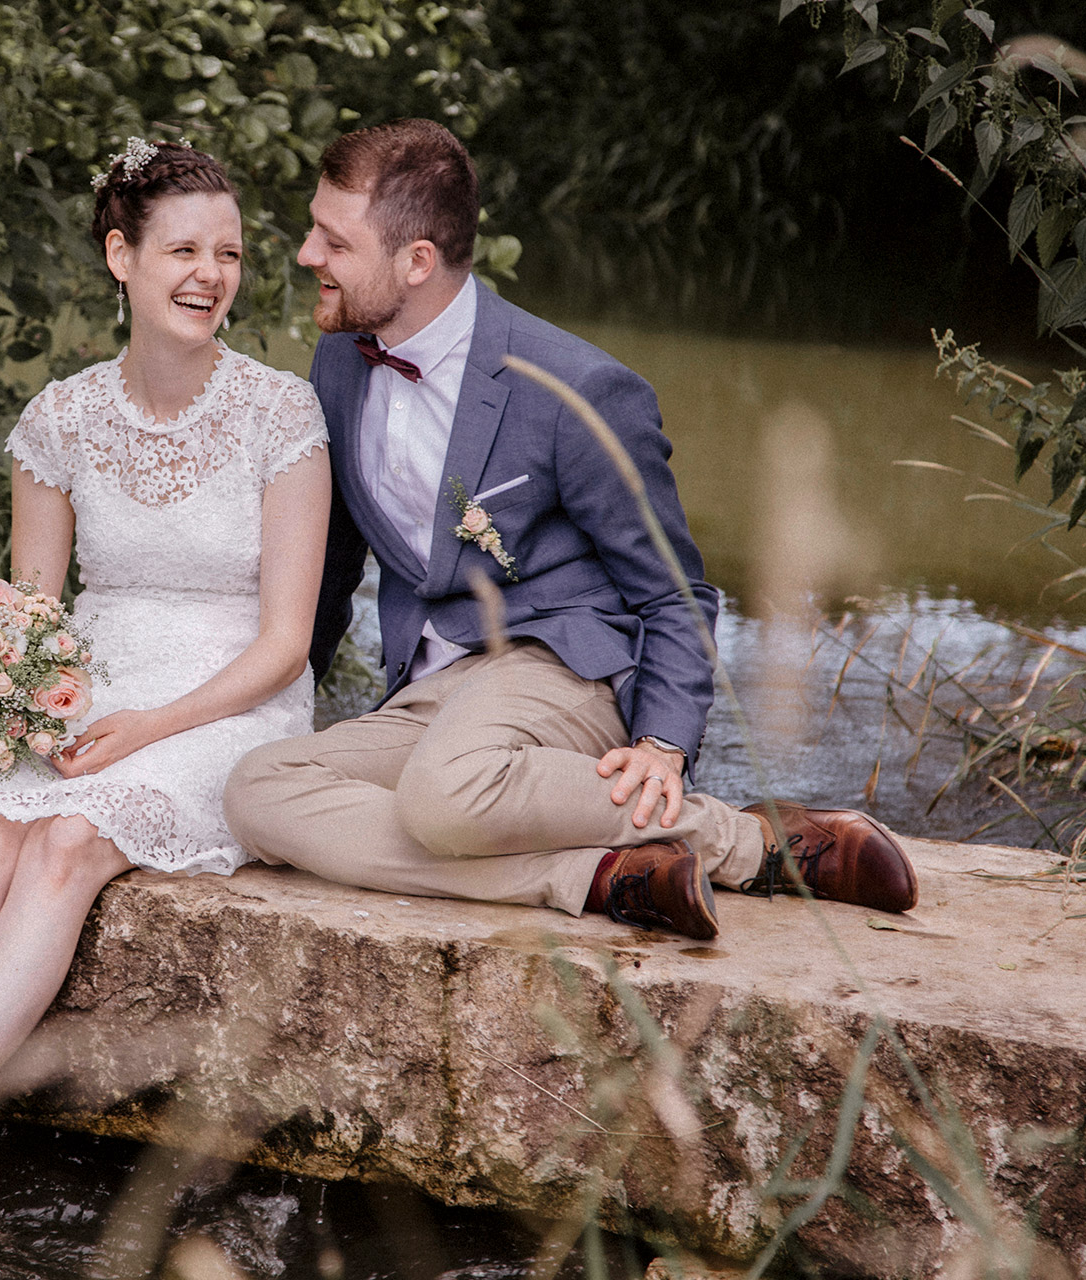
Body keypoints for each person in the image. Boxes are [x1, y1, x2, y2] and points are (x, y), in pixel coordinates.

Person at [223, 119, 917, 939]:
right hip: (433, 688)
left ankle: (749, 841)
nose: (307, 254)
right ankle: (595, 873)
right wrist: (281, 693)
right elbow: (335, 566)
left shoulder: (575, 388)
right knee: (258, 789)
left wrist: (661, 744)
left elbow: (675, 593)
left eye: (334, 241)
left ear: (417, 260)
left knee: (443, 796)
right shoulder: (342, 358)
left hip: (561, 670)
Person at [0, 139, 330, 1245]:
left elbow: (288, 643)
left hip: (224, 699)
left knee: (64, 843)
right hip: (91, 687)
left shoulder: (281, 413)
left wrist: (150, 725)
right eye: (183, 250)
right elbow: (35, 615)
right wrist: (18, 696)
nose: (210, 274)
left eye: (229, 252)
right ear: (121, 256)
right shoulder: (59, 420)